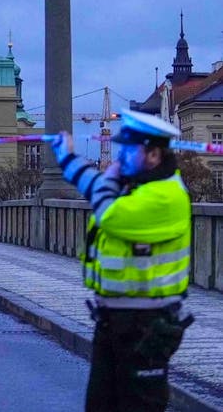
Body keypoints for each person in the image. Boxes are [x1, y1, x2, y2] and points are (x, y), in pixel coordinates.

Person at [49, 109, 193, 412]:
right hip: (115, 319)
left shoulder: (164, 196)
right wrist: (68, 159)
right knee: (101, 405)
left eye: (128, 150)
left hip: (146, 326)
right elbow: (99, 189)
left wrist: (105, 176)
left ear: (153, 155)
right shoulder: (138, 186)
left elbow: (108, 213)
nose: (120, 157)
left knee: (138, 406)